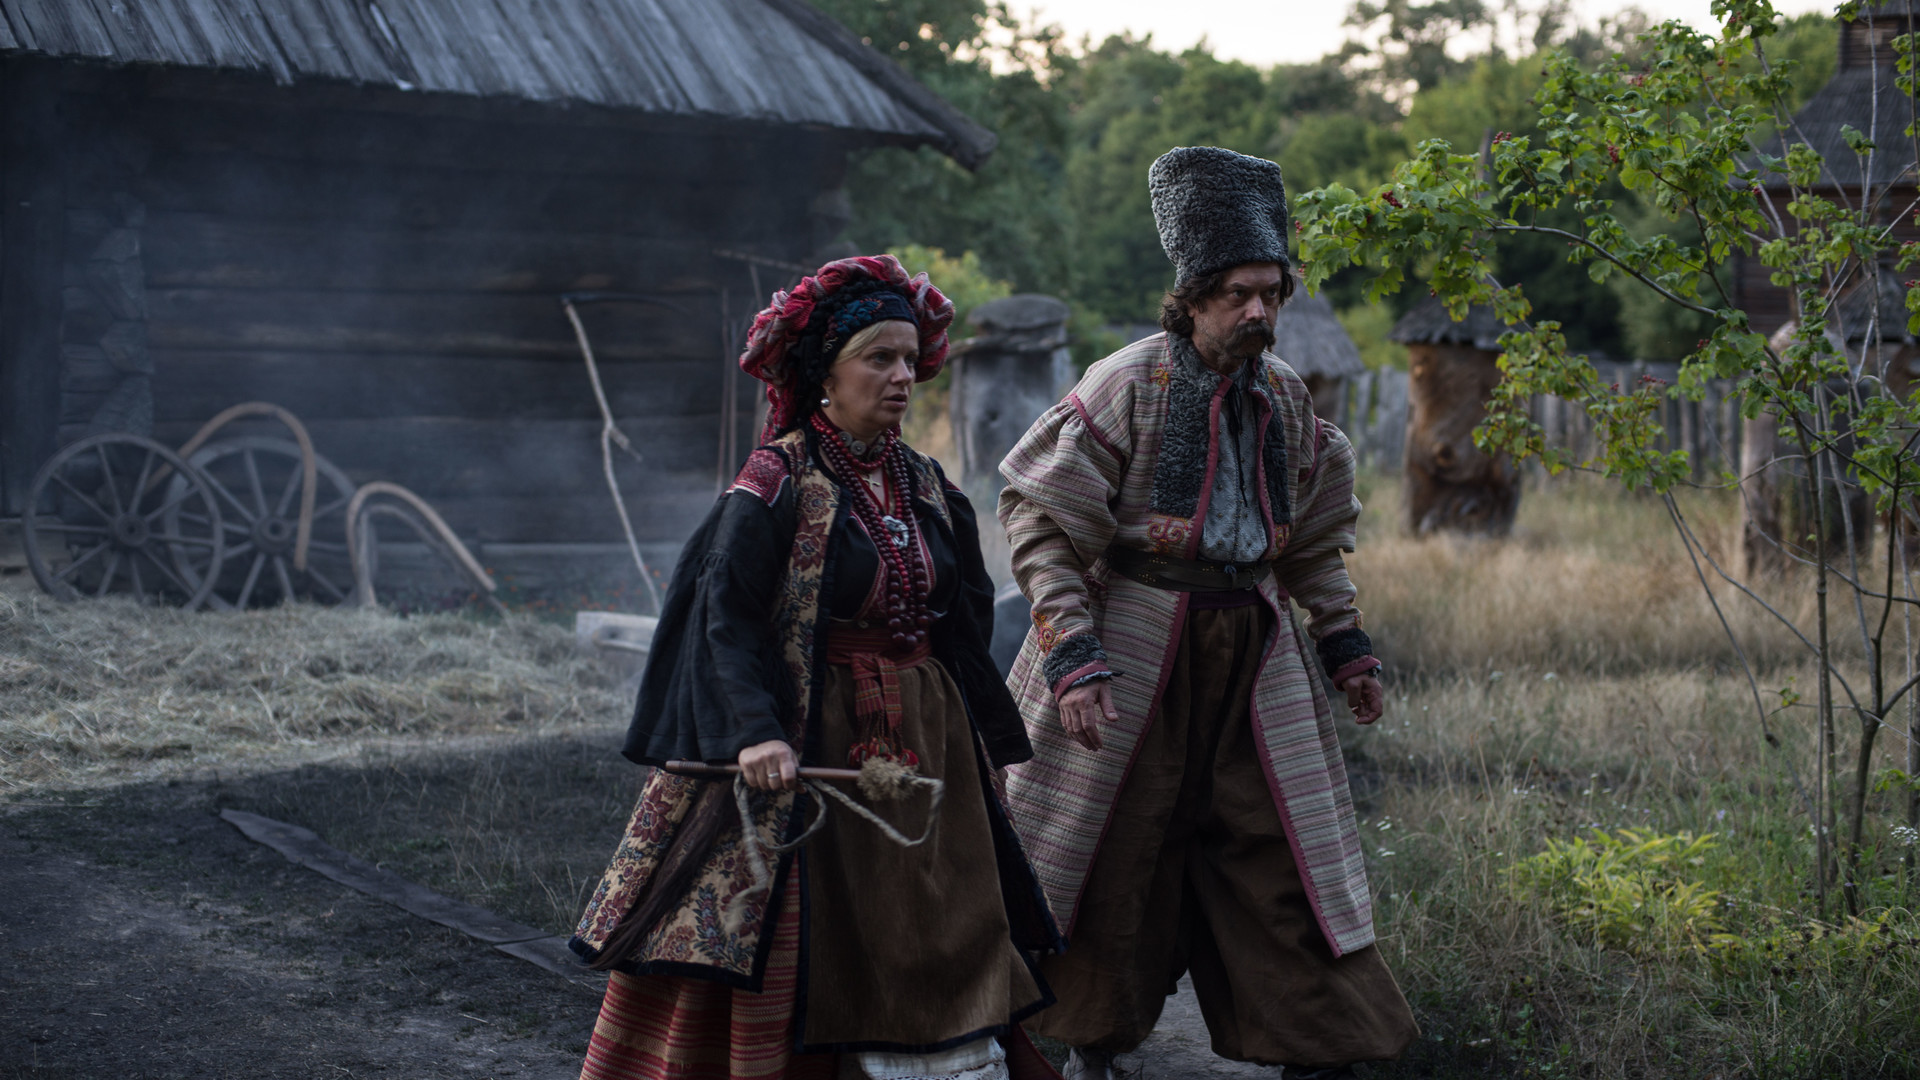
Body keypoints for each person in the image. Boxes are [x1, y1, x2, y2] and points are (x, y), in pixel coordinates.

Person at [569, 254, 1065, 1080]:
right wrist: (755, 734)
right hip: (814, 733)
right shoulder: (777, 481)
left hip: (927, 738)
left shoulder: (929, 485)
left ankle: (949, 1067)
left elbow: (965, 617)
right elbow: (723, 618)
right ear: (825, 375)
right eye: (879, 358)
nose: (903, 376)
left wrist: (979, 736)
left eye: (911, 359)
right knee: (826, 926)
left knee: (948, 915)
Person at [997, 147, 1419, 1079]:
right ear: (1190, 297)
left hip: (1254, 658)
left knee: (1281, 851)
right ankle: (1089, 1041)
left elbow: (1311, 539)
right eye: (1236, 293)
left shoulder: (1288, 401)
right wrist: (1071, 652)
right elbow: (1044, 523)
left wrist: (1344, 643)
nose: (1258, 312)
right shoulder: (1125, 383)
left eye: (1270, 292)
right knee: (1117, 846)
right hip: (1133, 649)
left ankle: (1318, 1045)